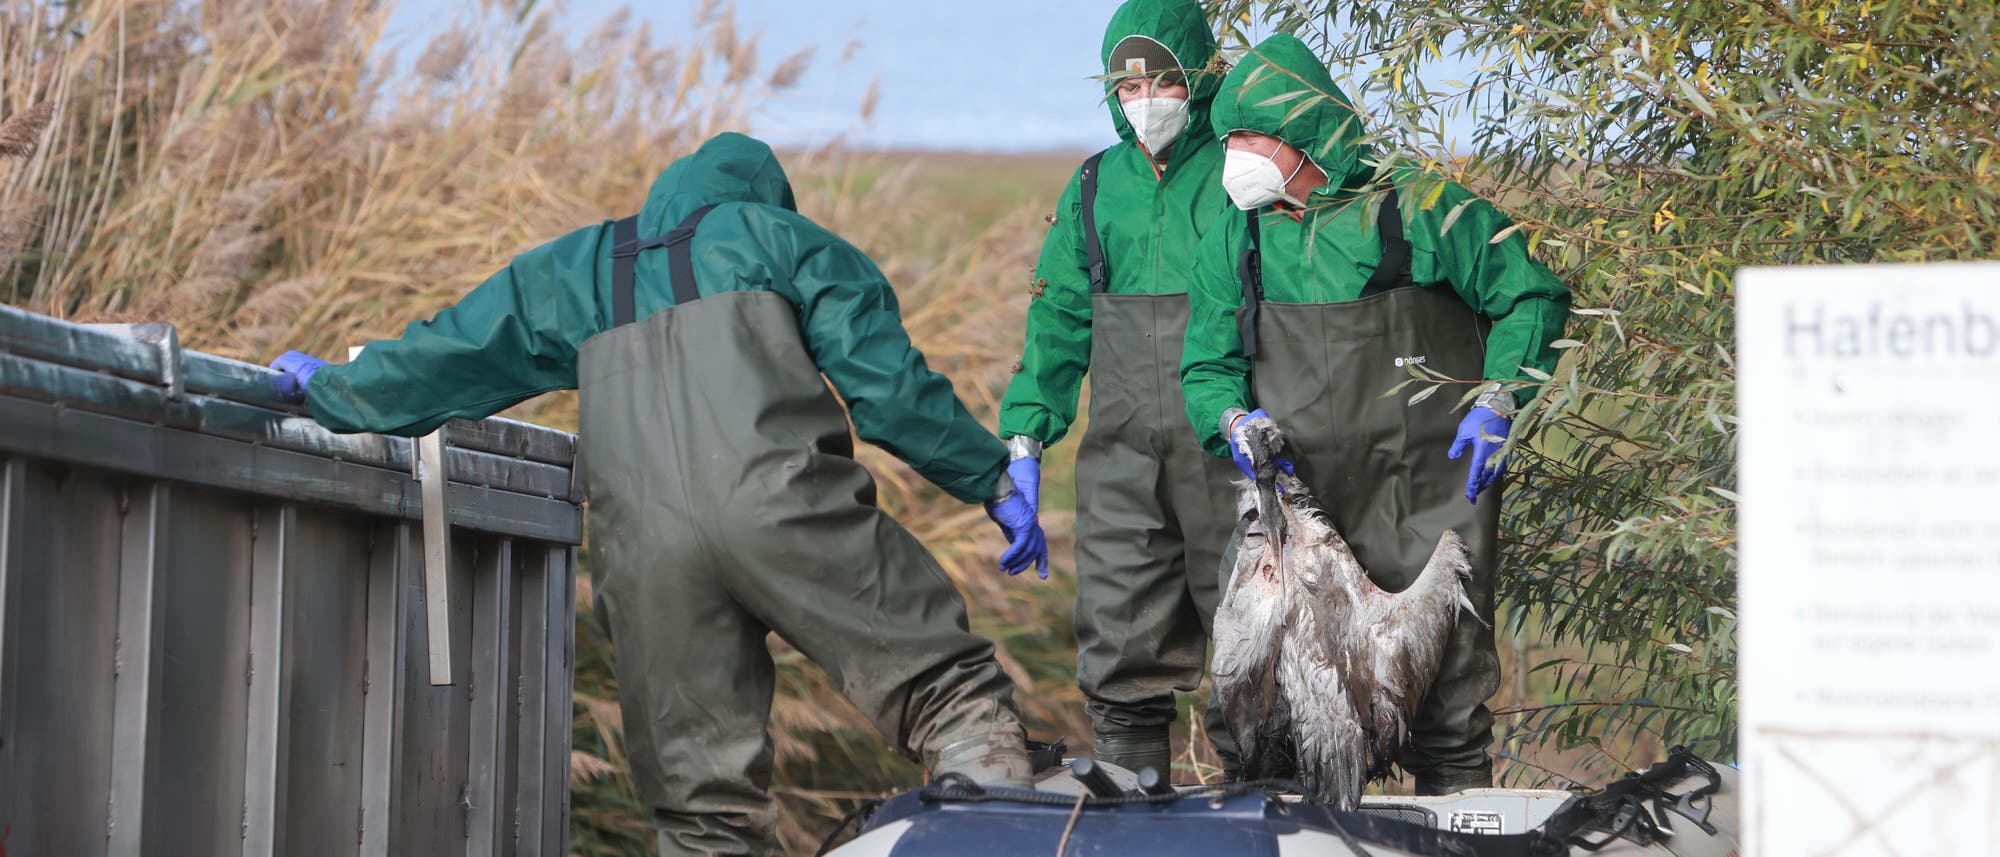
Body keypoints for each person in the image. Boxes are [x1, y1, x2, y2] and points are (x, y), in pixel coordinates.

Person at [268, 132, 1046, 855]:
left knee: (701, 812)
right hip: (787, 510)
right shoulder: (785, 240)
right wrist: (989, 478)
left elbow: (457, 352)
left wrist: (340, 390)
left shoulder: (580, 266)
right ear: (759, 200)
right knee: (949, 694)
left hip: (643, 551)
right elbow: (891, 392)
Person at [1180, 33, 1572, 795]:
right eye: (1229, 140)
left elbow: (1529, 293)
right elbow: (1206, 365)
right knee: (1272, 704)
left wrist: (1501, 394)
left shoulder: (1418, 207)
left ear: (1305, 134)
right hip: (1301, 505)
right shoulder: (1239, 232)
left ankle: (1458, 827)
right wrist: (1232, 421)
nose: (1237, 159)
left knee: (1447, 703)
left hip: (1422, 491)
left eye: (1252, 138)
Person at [997, 0, 1239, 778]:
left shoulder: (1242, 170)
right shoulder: (1095, 187)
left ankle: (1271, 815)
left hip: (1228, 457)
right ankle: (1134, 819)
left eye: (1163, 83)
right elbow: (1059, 320)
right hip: (1123, 468)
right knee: (1121, 656)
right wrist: (1026, 440)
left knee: (1256, 657)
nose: (1145, 104)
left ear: (1200, 77)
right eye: (1126, 89)